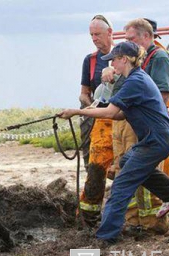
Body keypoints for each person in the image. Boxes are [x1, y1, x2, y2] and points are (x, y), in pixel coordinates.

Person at [59, 41, 169, 242]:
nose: (111, 65)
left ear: (124, 59)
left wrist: (76, 111)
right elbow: (119, 114)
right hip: (155, 138)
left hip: (157, 140)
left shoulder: (135, 81)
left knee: (121, 184)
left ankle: (106, 237)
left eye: (113, 61)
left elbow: (110, 111)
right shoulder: (133, 80)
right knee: (127, 161)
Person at [103, 18, 169, 234]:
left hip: (144, 128)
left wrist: (142, 123)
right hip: (128, 123)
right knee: (125, 170)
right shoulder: (135, 65)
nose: (129, 43)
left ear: (147, 36)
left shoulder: (159, 57)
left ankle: (153, 223)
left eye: (131, 39)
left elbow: (161, 96)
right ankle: (134, 222)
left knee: (138, 175)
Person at [77, 15, 115, 227]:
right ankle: (90, 217)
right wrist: (90, 104)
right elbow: (84, 93)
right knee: (93, 167)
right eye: (91, 35)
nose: (94, 39)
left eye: (97, 34)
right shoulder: (90, 61)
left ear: (109, 33)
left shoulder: (124, 55)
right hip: (95, 118)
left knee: (122, 165)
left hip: (119, 119)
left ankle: (121, 212)